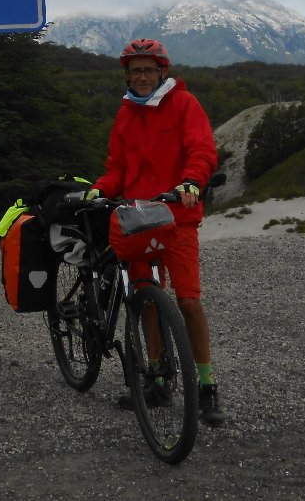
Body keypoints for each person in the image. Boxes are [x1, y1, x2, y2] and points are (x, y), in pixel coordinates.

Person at [90, 37, 226, 426]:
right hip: (136, 220)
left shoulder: (184, 104)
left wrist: (192, 183)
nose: (143, 76)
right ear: (128, 76)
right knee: (146, 299)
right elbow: (117, 166)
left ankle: (206, 385)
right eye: (136, 71)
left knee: (188, 302)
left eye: (149, 69)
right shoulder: (127, 113)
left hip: (176, 219)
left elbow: (202, 151)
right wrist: (101, 187)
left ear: (162, 71)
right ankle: (158, 376)